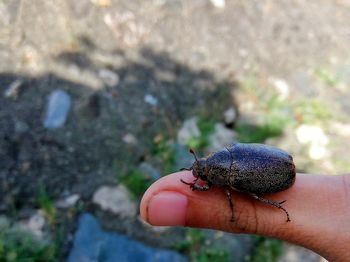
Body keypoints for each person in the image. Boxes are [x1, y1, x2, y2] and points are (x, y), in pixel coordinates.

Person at [140, 171, 350, 261]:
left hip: (278, 176)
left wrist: (196, 187)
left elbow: (208, 188)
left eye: (204, 176)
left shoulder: (228, 181)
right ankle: (279, 207)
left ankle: (277, 206)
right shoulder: (226, 158)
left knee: (254, 198)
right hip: (276, 161)